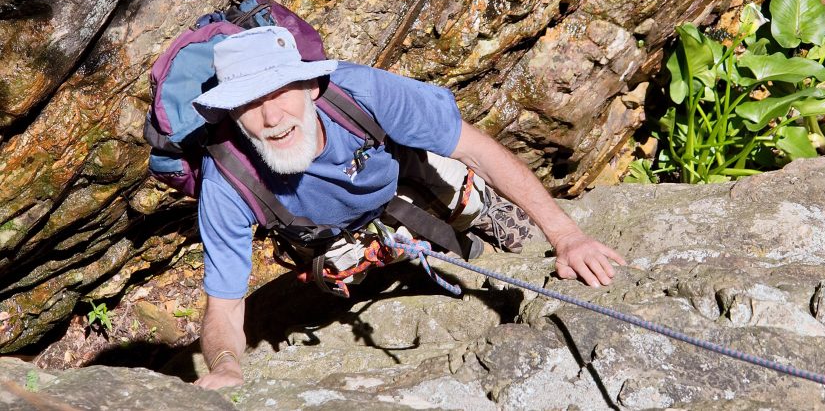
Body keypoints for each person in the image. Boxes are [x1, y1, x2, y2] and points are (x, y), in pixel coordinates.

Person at [189, 26, 625, 389]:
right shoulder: (228, 180)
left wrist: (566, 237)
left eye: (280, 91)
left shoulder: (361, 94)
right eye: (248, 102)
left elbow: (478, 151)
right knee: (340, 269)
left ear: (309, 84)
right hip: (331, 236)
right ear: (230, 114)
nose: (270, 118)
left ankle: (479, 213)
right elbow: (224, 307)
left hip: (403, 179)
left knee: (460, 185)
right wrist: (226, 364)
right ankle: (396, 252)